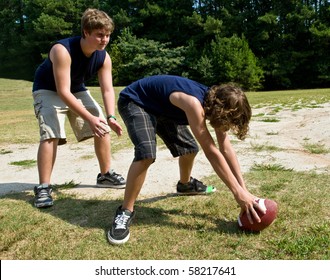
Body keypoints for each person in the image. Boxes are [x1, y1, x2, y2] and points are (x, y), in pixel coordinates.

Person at [107, 74, 266, 245]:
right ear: (221, 112)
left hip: (161, 107)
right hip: (135, 101)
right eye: (228, 121)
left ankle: (185, 185)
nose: (228, 126)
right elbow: (211, 151)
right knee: (146, 154)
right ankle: (125, 211)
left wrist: (244, 190)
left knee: (189, 149)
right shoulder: (193, 104)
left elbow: (225, 148)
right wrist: (237, 193)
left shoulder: (217, 102)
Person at [32, 8, 126, 208]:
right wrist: (89, 119)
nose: (105, 40)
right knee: (51, 133)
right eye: (100, 35)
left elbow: (108, 90)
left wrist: (110, 116)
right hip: (48, 89)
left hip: (75, 89)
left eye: (108, 35)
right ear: (86, 32)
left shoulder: (103, 57)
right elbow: (62, 92)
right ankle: (43, 187)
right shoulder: (62, 50)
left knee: (102, 126)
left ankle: (105, 174)